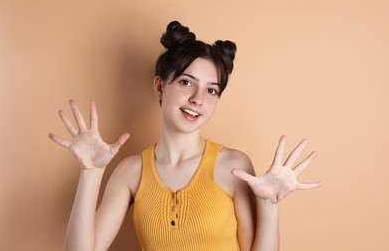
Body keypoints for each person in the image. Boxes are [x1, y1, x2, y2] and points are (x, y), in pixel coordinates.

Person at [49, 21, 320, 251]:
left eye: (211, 90)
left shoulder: (234, 167)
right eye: (186, 82)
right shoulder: (131, 172)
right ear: (159, 86)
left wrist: (270, 205)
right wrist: (91, 172)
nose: (197, 99)